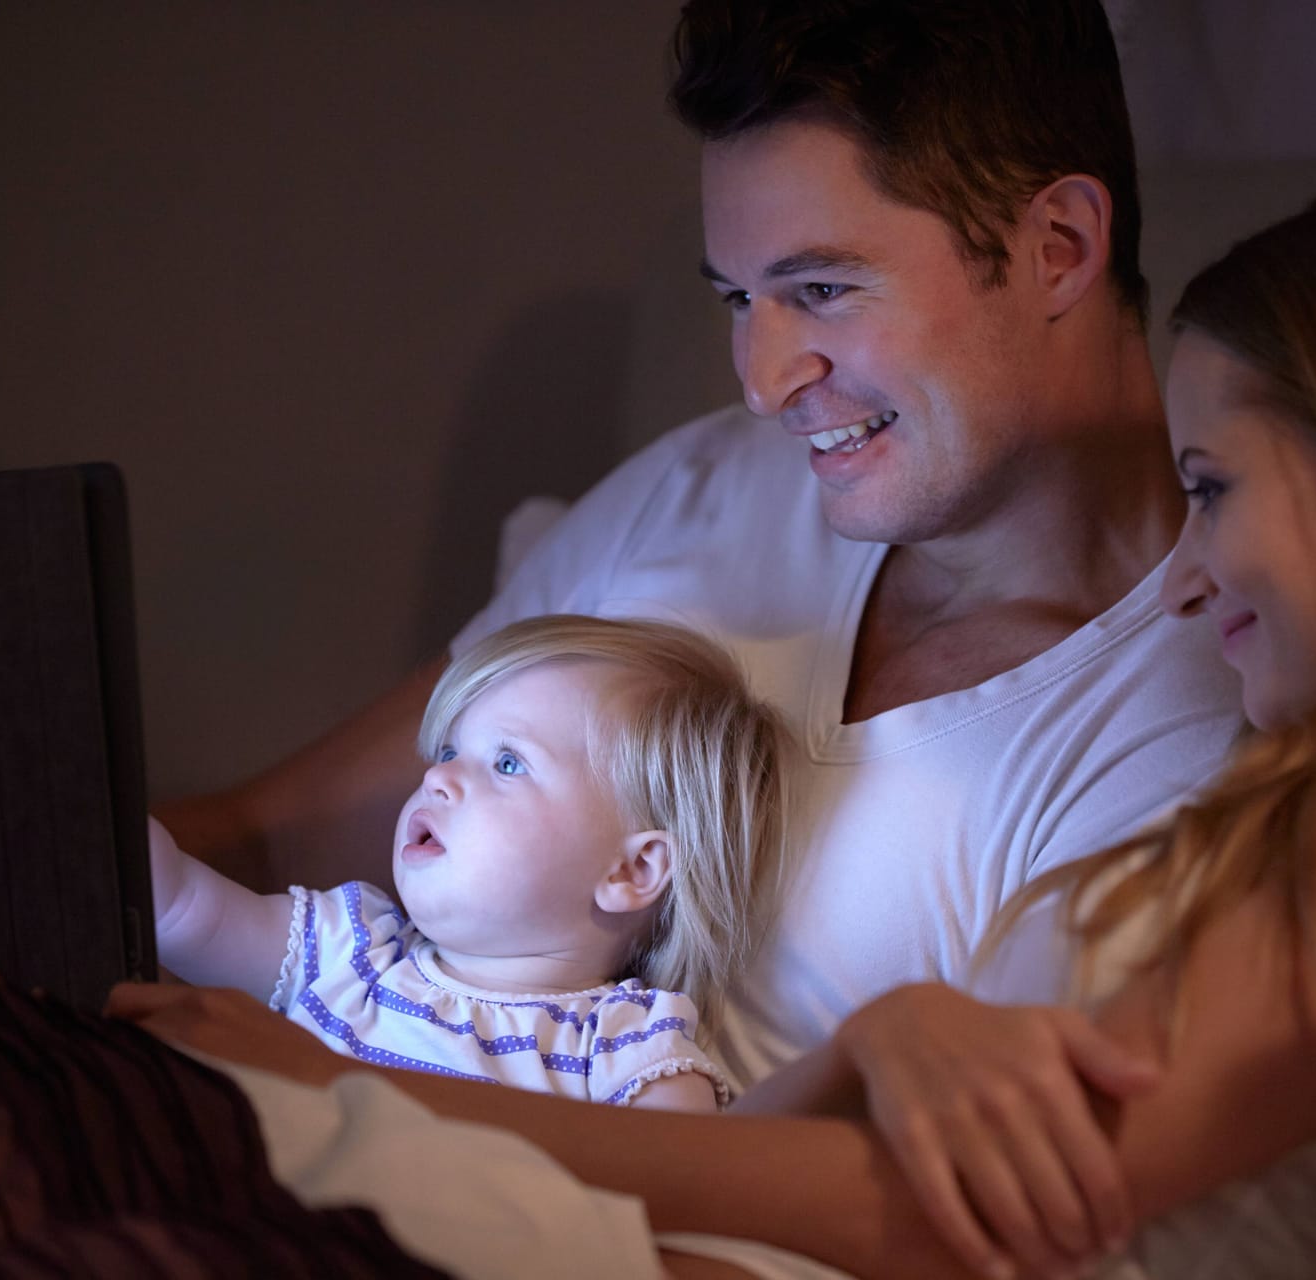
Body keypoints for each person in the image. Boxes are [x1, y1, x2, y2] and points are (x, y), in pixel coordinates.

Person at [111, 168, 1316, 1280]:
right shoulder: (1312, 789)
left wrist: (375, 1104)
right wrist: (870, 1042)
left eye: (1215, 489)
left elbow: (965, 1222)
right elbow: (843, 1156)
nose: (1192, 572)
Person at [154, 0, 1243, 1101]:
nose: (764, 384)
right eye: (738, 298)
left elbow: (956, 1224)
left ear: (1057, 248)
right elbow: (269, 835)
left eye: (821, 289)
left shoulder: (1171, 743)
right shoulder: (710, 482)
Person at [151, 614, 788, 1110]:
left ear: (631, 872)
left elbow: (683, 1191)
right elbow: (179, 908)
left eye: (508, 762)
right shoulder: (353, 949)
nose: (441, 777)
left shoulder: (625, 1049)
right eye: (449, 749)